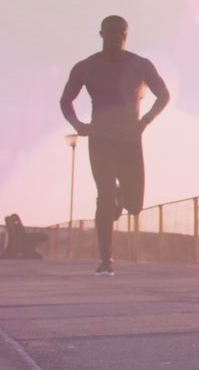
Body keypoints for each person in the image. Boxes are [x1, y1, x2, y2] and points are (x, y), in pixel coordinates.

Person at [60, 15, 170, 276]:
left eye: (122, 32)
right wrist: (78, 124)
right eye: (111, 31)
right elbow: (65, 101)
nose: (117, 36)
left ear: (127, 35)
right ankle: (105, 260)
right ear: (101, 34)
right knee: (104, 197)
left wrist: (145, 121)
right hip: (100, 139)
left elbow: (164, 95)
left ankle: (122, 198)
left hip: (130, 139)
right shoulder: (85, 67)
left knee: (134, 205)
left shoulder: (140, 65)